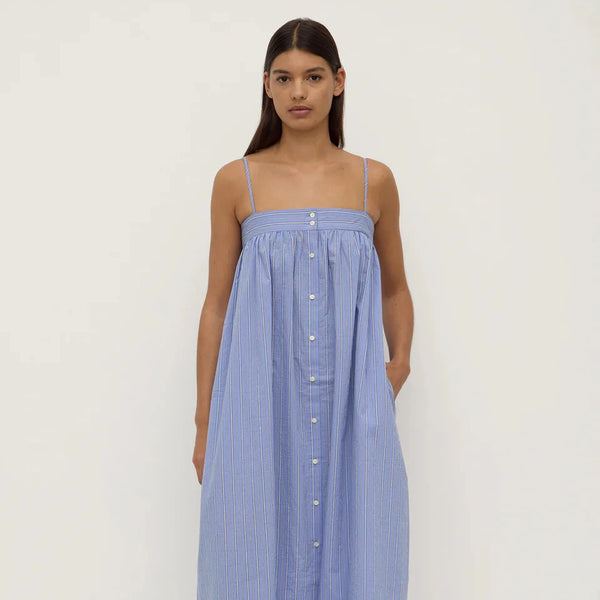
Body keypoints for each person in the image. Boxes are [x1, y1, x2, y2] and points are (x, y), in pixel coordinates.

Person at [193, 17, 414, 600]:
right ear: (266, 85)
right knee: (249, 547)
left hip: (352, 402)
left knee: (362, 544)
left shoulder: (373, 182)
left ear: (338, 82)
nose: (299, 92)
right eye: (284, 78)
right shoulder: (237, 181)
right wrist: (206, 422)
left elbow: (395, 288)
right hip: (258, 402)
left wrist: (397, 366)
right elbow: (216, 305)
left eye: (313, 77)